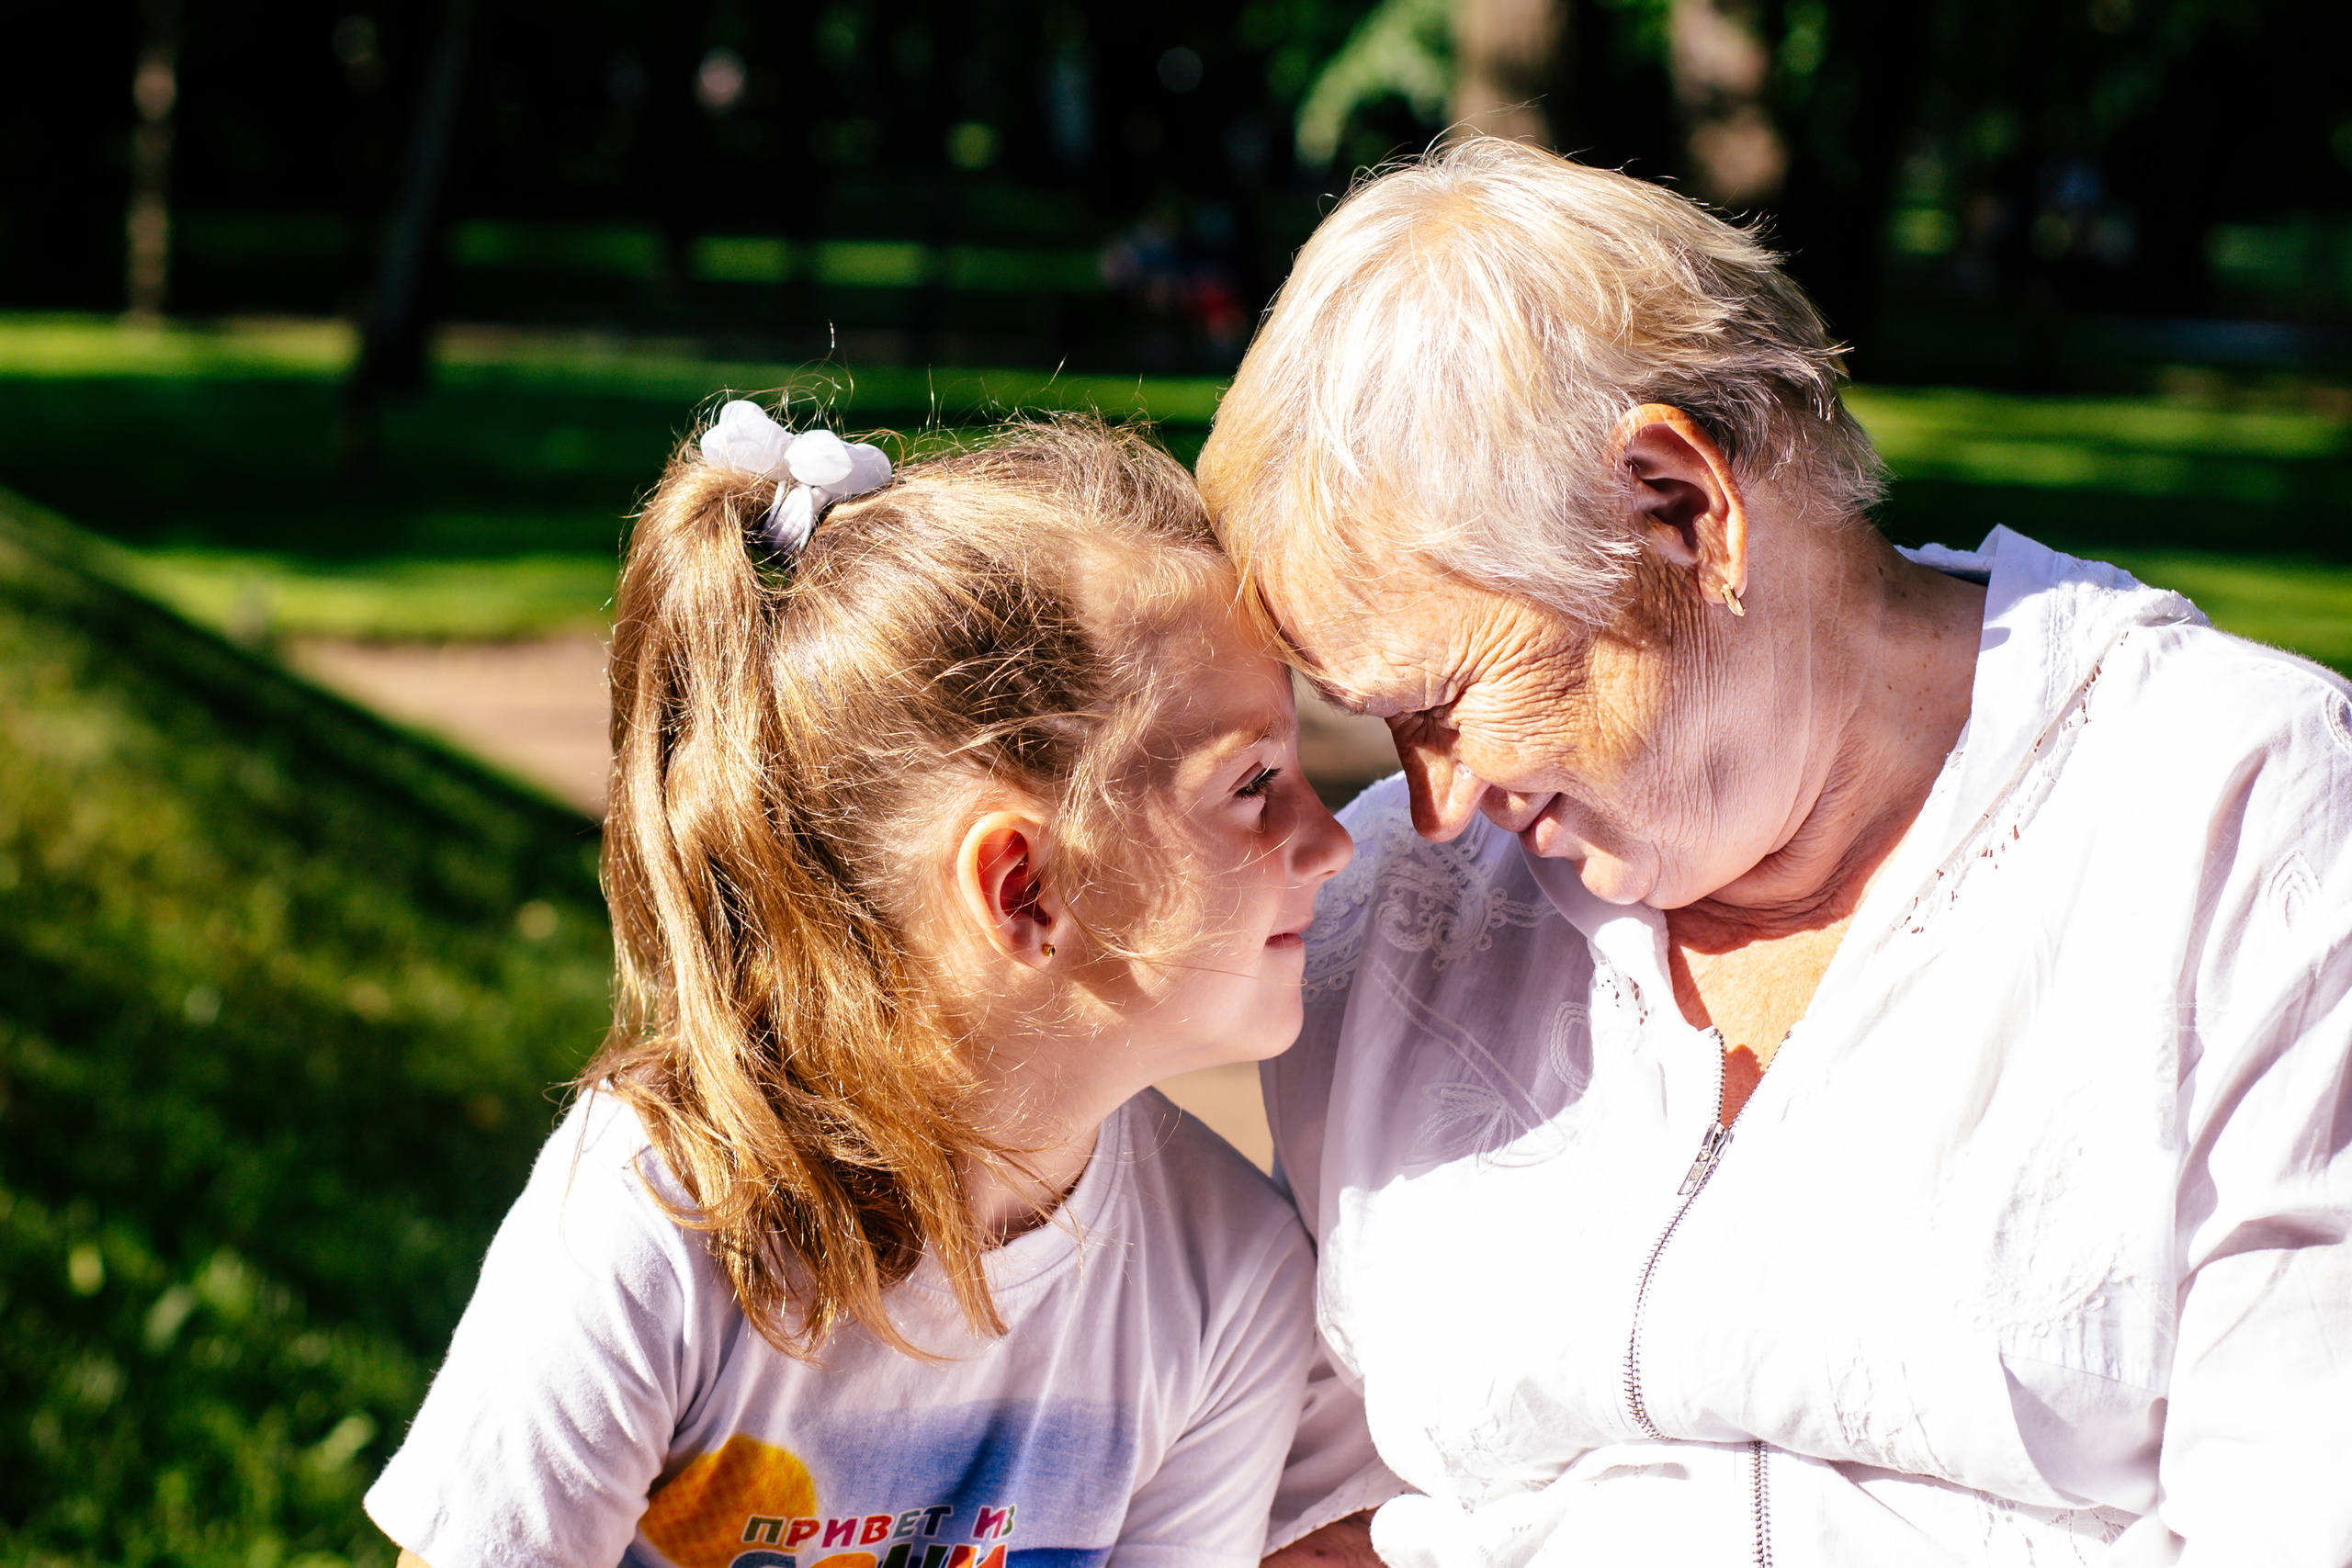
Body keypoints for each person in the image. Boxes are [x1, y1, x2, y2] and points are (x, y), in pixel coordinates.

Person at [1197, 139, 2352, 1565]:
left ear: (1681, 506)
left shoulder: (2241, 819)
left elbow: (2299, 1502)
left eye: (1444, 702)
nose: (1431, 801)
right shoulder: (1393, 905)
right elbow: (1293, 1464)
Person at [365, 409, 1353, 1568]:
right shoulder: (667, 1213)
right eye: (1253, 783)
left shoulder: (1228, 1281)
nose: (1331, 840)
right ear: (1023, 887)